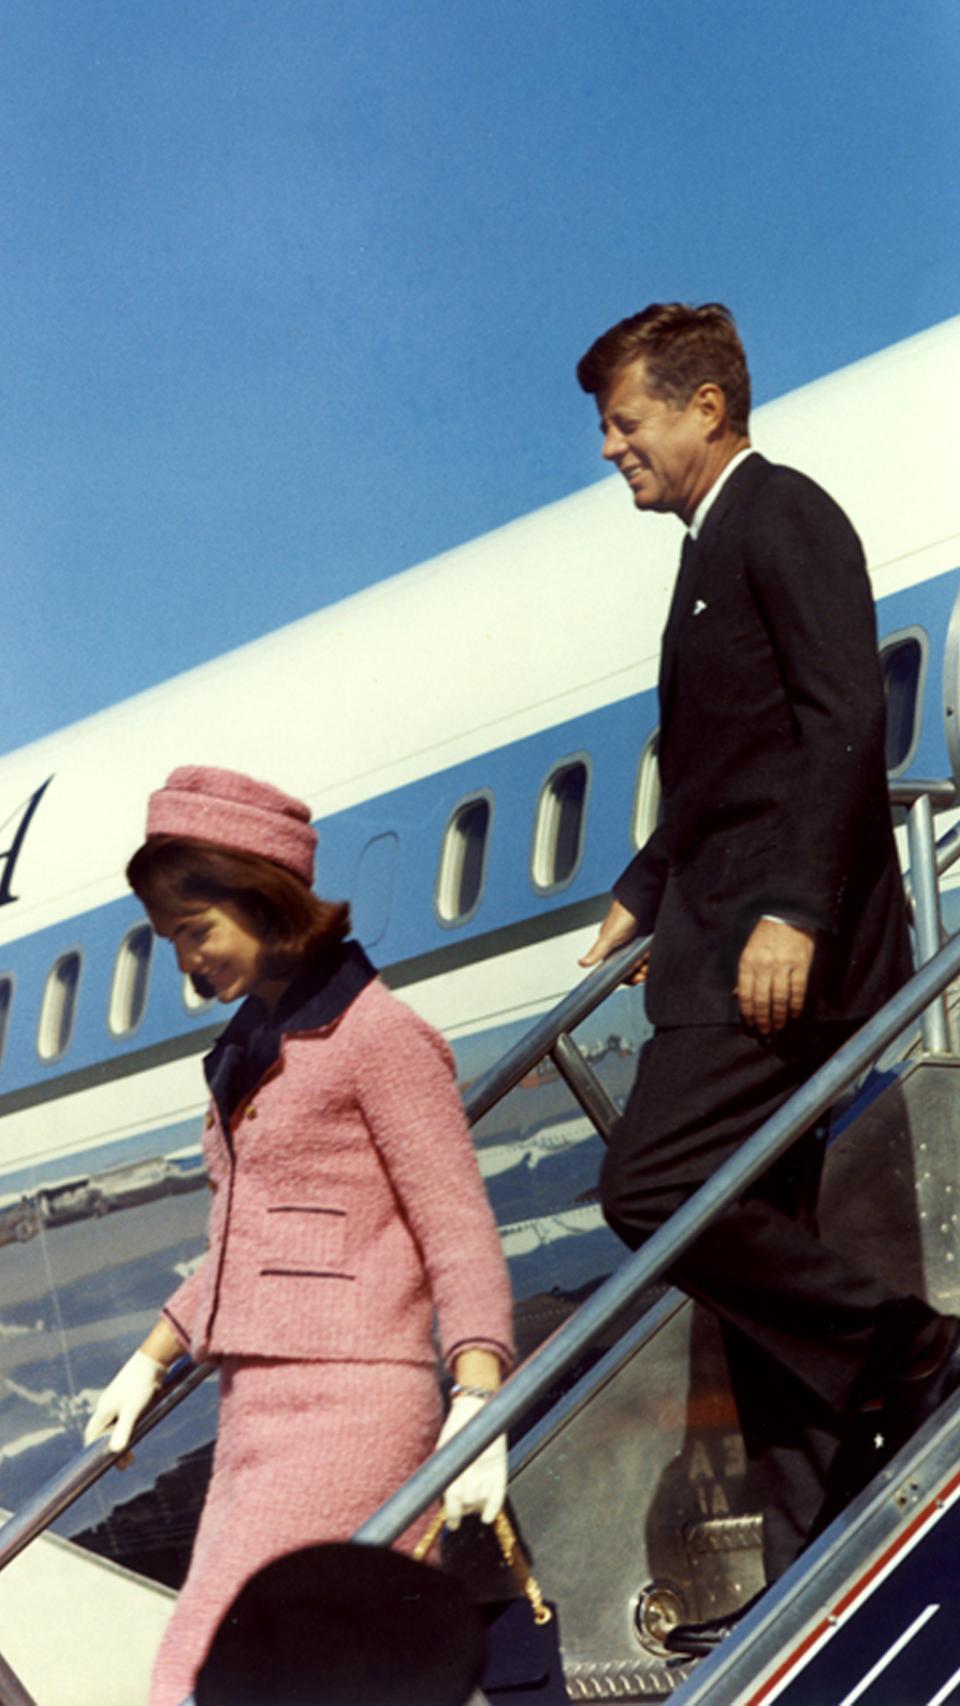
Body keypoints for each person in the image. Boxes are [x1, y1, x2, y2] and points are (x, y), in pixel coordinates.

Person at [575, 302, 960, 1655]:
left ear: (704, 408)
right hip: (722, 937)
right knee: (757, 1275)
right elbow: (726, 764)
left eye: (627, 421)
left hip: (776, 952)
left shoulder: (780, 513)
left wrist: (794, 906)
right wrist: (641, 884)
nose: (613, 448)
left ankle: (909, 1346)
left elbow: (844, 714)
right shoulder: (701, 552)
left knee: (653, 1187)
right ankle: (810, 1572)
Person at [84, 765, 514, 1706]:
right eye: (169, 941)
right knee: (260, 1672)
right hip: (254, 1410)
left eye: (195, 931)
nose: (185, 962)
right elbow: (250, 1243)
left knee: (213, 1672)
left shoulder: (378, 1037)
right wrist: (153, 1358)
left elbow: (458, 1227)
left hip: (352, 1403)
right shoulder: (251, 1049)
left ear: (263, 900)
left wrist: (480, 1396)